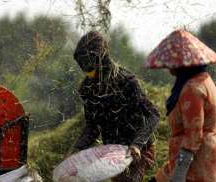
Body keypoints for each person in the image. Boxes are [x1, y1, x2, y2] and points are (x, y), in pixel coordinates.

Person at [67, 31, 160, 182]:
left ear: (101, 59)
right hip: (113, 153)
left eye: (89, 66)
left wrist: (137, 144)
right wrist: (76, 150)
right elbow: (93, 127)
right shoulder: (87, 89)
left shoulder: (126, 81)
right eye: (83, 66)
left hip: (139, 150)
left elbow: (154, 115)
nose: (87, 71)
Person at [146, 29, 216, 182]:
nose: (170, 70)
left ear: (185, 65)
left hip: (194, 166)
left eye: (173, 65)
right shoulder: (205, 79)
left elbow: (193, 135)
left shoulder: (192, 89)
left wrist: (180, 172)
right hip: (189, 158)